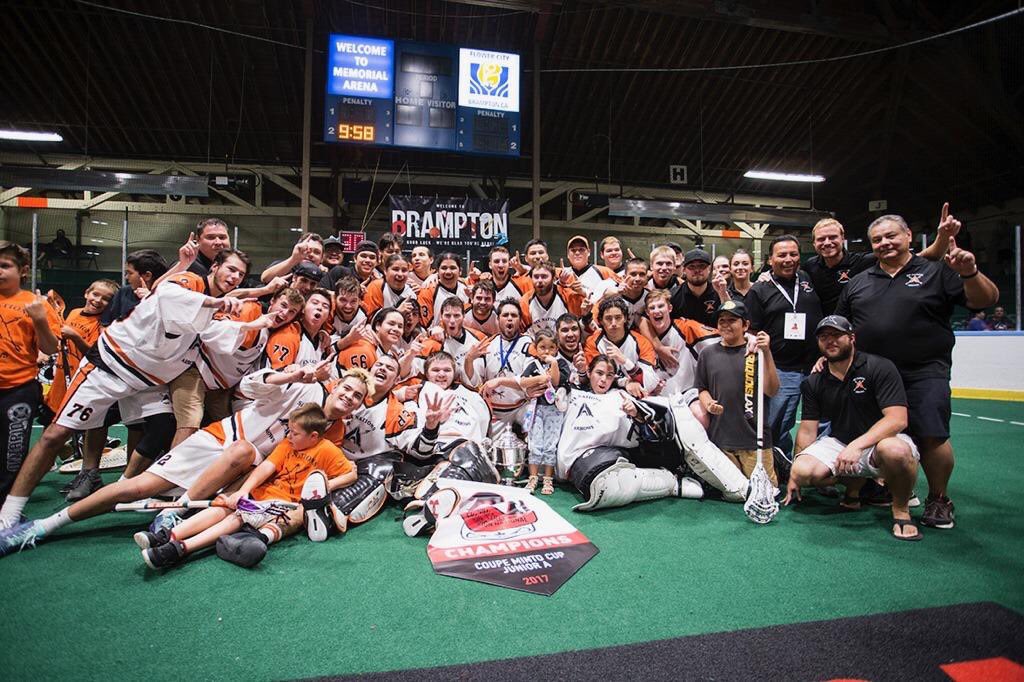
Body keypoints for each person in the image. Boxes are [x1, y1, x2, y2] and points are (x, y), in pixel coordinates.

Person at [0, 362, 363, 557]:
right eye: (347, 387)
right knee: (135, 487)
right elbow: (250, 387)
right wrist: (289, 374)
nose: (349, 396)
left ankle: (176, 514)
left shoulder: (334, 433)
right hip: (220, 442)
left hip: (247, 469)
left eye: (358, 397)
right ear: (337, 384)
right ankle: (43, 527)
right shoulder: (305, 388)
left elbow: (310, 466)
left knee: (244, 478)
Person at [0, 248, 250, 528]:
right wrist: (211, 300)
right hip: (113, 366)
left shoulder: (224, 303)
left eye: (240, 274)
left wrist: (257, 311)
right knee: (55, 435)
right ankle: (10, 512)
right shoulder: (191, 280)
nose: (235, 277)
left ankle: (126, 487)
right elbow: (166, 293)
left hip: (148, 381)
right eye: (231, 269)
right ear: (214, 268)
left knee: (164, 429)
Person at [835, 208, 998, 529]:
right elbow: (842, 329)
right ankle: (888, 489)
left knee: (931, 436)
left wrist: (969, 272)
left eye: (891, 236)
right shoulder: (857, 283)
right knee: (876, 438)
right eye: (877, 240)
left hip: (924, 372)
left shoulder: (937, 271)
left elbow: (984, 300)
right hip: (874, 377)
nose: (884, 243)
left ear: (909, 236)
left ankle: (938, 498)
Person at [138, 403, 358, 570]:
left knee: (236, 517)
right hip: (262, 496)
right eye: (289, 430)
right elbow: (265, 468)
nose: (289, 435)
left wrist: (322, 486)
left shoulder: (327, 450)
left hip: (285, 506)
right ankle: (170, 535)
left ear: (313, 437)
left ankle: (180, 549)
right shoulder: (287, 443)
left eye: (295, 433)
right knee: (223, 505)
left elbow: (349, 475)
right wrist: (241, 492)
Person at [785, 316, 922, 541]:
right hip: (840, 442)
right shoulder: (814, 381)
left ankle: (901, 510)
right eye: (823, 337)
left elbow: (897, 419)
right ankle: (854, 490)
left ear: (851, 338)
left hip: (880, 443)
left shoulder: (879, 367)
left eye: (836, 335)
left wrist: (857, 445)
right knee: (803, 470)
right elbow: (808, 430)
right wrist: (794, 474)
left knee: (895, 451)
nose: (830, 341)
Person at [556, 355, 705, 511]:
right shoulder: (573, 392)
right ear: (589, 373)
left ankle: (675, 478)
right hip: (584, 455)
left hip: (623, 450)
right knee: (604, 485)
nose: (603, 380)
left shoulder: (620, 395)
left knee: (670, 439)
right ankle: (672, 484)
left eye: (609, 375)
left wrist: (637, 415)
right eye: (599, 373)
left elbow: (652, 432)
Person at [745, 235, 824, 458]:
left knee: (819, 423)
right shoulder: (759, 290)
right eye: (782, 255)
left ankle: (815, 470)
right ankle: (779, 467)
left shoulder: (807, 278)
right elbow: (751, 331)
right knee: (777, 423)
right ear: (770, 260)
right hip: (781, 369)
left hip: (814, 367)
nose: (788, 259)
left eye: (793, 254)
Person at [43, 278, 119, 501]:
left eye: (106, 299)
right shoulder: (74, 313)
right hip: (61, 379)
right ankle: (65, 455)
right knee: (51, 423)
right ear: (87, 293)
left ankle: (87, 472)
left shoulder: (103, 324)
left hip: (86, 381)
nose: (99, 301)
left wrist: (75, 336)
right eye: (96, 294)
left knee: (88, 427)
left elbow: (96, 354)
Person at [0, 242, 62, 502]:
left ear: (23, 270)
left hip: (17, 390)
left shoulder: (36, 304)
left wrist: (38, 319)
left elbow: (50, 347)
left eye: (5, 266)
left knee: (11, 452)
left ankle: (6, 507)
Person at [695, 301, 780, 487]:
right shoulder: (707, 354)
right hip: (721, 440)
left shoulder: (756, 352)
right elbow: (702, 389)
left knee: (766, 491)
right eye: (722, 320)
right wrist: (708, 404)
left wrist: (767, 353)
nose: (726, 325)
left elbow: (772, 390)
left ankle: (779, 460)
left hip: (754, 440)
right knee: (733, 492)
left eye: (732, 320)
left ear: (746, 325)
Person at [464, 300, 539, 437]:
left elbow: (529, 379)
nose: (509, 318)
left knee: (536, 419)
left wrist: (501, 381)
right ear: (498, 319)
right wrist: (469, 360)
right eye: (505, 315)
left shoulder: (528, 343)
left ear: (520, 320)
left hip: (521, 407)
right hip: (495, 411)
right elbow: (474, 382)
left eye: (514, 315)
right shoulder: (488, 344)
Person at [639, 289, 720, 398]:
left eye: (661, 306)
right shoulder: (641, 336)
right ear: (647, 313)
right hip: (656, 397)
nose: (656, 311)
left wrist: (747, 337)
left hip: (688, 394)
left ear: (670, 308)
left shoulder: (687, 328)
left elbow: (721, 337)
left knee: (700, 414)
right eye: (652, 308)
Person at [520, 329, 569, 495]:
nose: (546, 351)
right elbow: (523, 382)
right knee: (535, 443)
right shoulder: (533, 365)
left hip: (554, 410)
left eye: (551, 347)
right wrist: (538, 380)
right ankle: (533, 478)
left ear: (556, 348)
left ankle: (548, 479)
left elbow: (556, 381)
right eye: (542, 347)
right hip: (537, 408)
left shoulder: (561, 364)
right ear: (536, 347)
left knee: (550, 444)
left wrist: (553, 363)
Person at [584, 297, 658, 396]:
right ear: (600, 321)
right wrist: (625, 382)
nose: (614, 323)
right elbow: (595, 378)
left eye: (618, 317)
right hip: (602, 396)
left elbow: (650, 383)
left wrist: (625, 361)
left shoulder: (642, 342)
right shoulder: (592, 342)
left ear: (625, 318)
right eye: (608, 318)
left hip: (634, 398)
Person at [418, 297, 486, 381]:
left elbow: (481, 378)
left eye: (456, 315)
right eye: (447, 315)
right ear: (441, 317)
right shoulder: (433, 344)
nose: (452, 320)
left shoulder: (478, 338)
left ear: (463, 316)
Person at [102, 249, 169, 325]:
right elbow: (105, 323)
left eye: (130, 273)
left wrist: (150, 299)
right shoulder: (123, 292)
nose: (126, 277)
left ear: (147, 275)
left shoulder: (166, 296)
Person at [519, 261, 586, 333]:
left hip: (564, 343)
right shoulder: (524, 301)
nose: (540, 280)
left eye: (544, 276)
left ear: (553, 278)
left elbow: (584, 324)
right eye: (536, 277)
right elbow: (522, 332)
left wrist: (583, 293)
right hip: (536, 343)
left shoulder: (568, 296)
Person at [671, 248, 728, 327]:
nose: (697, 270)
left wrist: (723, 294)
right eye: (692, 266)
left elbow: (731, 318)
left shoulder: (720, 292)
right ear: (684, 270)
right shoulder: (673, 296)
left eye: (702, 266)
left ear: (709, 269)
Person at [417, 252, 469, 328]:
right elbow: (424, 326)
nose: (448, 272)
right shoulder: (427, 290)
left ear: (460, 271)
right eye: (444, 268)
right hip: (435, 337)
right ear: (437, 271)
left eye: (452, 268)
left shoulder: (466, 287)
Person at [362, 253, 418, 320]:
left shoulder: (413, 291)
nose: (400, 274)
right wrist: (397, 312)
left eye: (404, 270)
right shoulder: (376, 287)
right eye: (395, 269)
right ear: (385, 271)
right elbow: (370, 321)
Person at [565, 235, 619, 300]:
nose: (577, 253)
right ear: (568, 254)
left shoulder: (604, 271)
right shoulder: (562, 274)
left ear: (588, 252)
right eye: (573, 250)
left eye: (581, 249)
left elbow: (621, 290)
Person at [259, 233, 325, 284]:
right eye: (307, 249)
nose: (310, 254)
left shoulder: (325, 277)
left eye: (316, 252)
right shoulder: (285, 266)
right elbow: (265, 278)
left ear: (322, 258)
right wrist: (293, 259)